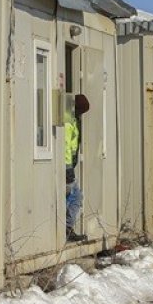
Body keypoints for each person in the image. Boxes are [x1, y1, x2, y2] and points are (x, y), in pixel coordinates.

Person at [64, 94, 91, 242]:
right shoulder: (68, 122)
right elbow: (66, 146)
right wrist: (68, 169)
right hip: (66, 167)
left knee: (70, 197)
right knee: (75, 197)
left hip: (68, 166)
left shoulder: (73, 120)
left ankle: (66, 227)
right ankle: (66, 228)